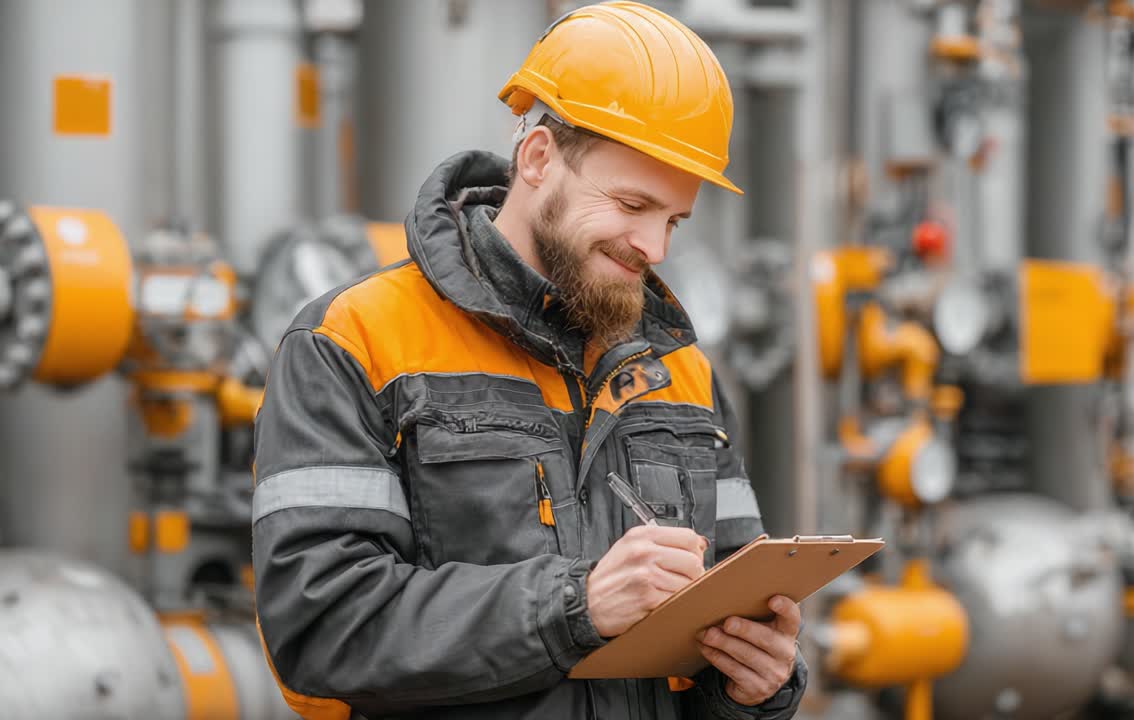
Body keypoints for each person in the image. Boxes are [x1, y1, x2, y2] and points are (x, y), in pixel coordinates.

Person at [251, 2, 807, 718]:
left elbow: (723, 615)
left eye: (672, 220)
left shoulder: (682, 372)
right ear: (539, 158)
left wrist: (753, 684)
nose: (655, 248)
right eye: (633, 204)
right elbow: (321, 630)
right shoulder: (355, 340)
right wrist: (577, 605)